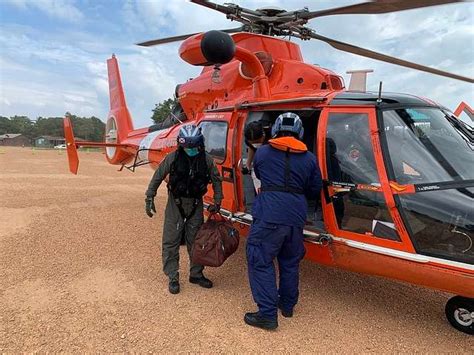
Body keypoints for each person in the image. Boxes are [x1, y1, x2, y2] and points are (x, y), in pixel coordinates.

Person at [244, 112, 322, 330]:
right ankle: (287, 306)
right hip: (296, 215)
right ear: (300, 132)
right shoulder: (310, 158)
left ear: (276, 129)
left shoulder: (264, 153)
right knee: (290, 262)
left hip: (269, 213)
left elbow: (258, 172)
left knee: (260, 259)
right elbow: (315, 188)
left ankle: (267, 314)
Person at [145, 124, 223, 294]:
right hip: (176, 203)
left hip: (196, 203)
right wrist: (149, 196)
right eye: (187, 146)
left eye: (194, 146)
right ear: (181, 145)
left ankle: (196, 274)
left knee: (196, 241)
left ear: (200, 144)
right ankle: (173, 276)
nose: (191, 150)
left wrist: (218, 200)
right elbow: (158, 176)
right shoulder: (172, 158)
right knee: (170, 240)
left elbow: (217, 180)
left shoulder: (206, 159)